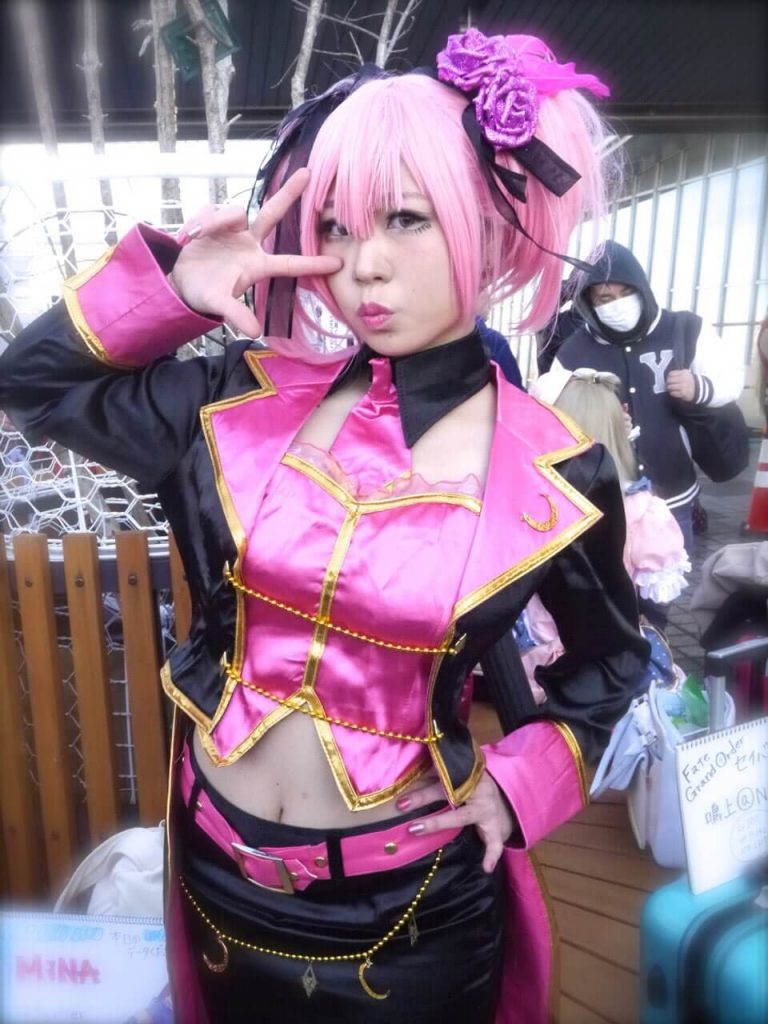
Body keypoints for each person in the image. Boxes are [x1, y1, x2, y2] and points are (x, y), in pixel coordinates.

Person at [0, 30, 649, 1024]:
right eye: (336, 227)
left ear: (486, 224)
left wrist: (522, 783)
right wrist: (177, 290)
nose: (361, 266)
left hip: (413, 913)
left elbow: (611, 662)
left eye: (405, 218)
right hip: (215, 877)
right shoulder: (233, 397)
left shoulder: (557, 467)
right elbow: (34, 382)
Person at [550, 241, 745, 553]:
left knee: (669, 578)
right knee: (614, 580)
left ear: (641, 287)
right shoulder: (573, 351)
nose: (618, 304)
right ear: (588, 302)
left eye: (626, 292)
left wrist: (699, 387)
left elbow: (732, 379)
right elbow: (552, 417)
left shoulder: (686, 328)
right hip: (607, 503)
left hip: (673, 500)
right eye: (605, 298)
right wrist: (597, 423)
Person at [523, 368, 690, 693]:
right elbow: (657, 599)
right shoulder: (643, 510)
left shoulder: (525, 504)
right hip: (610, 663)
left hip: (530, 660)